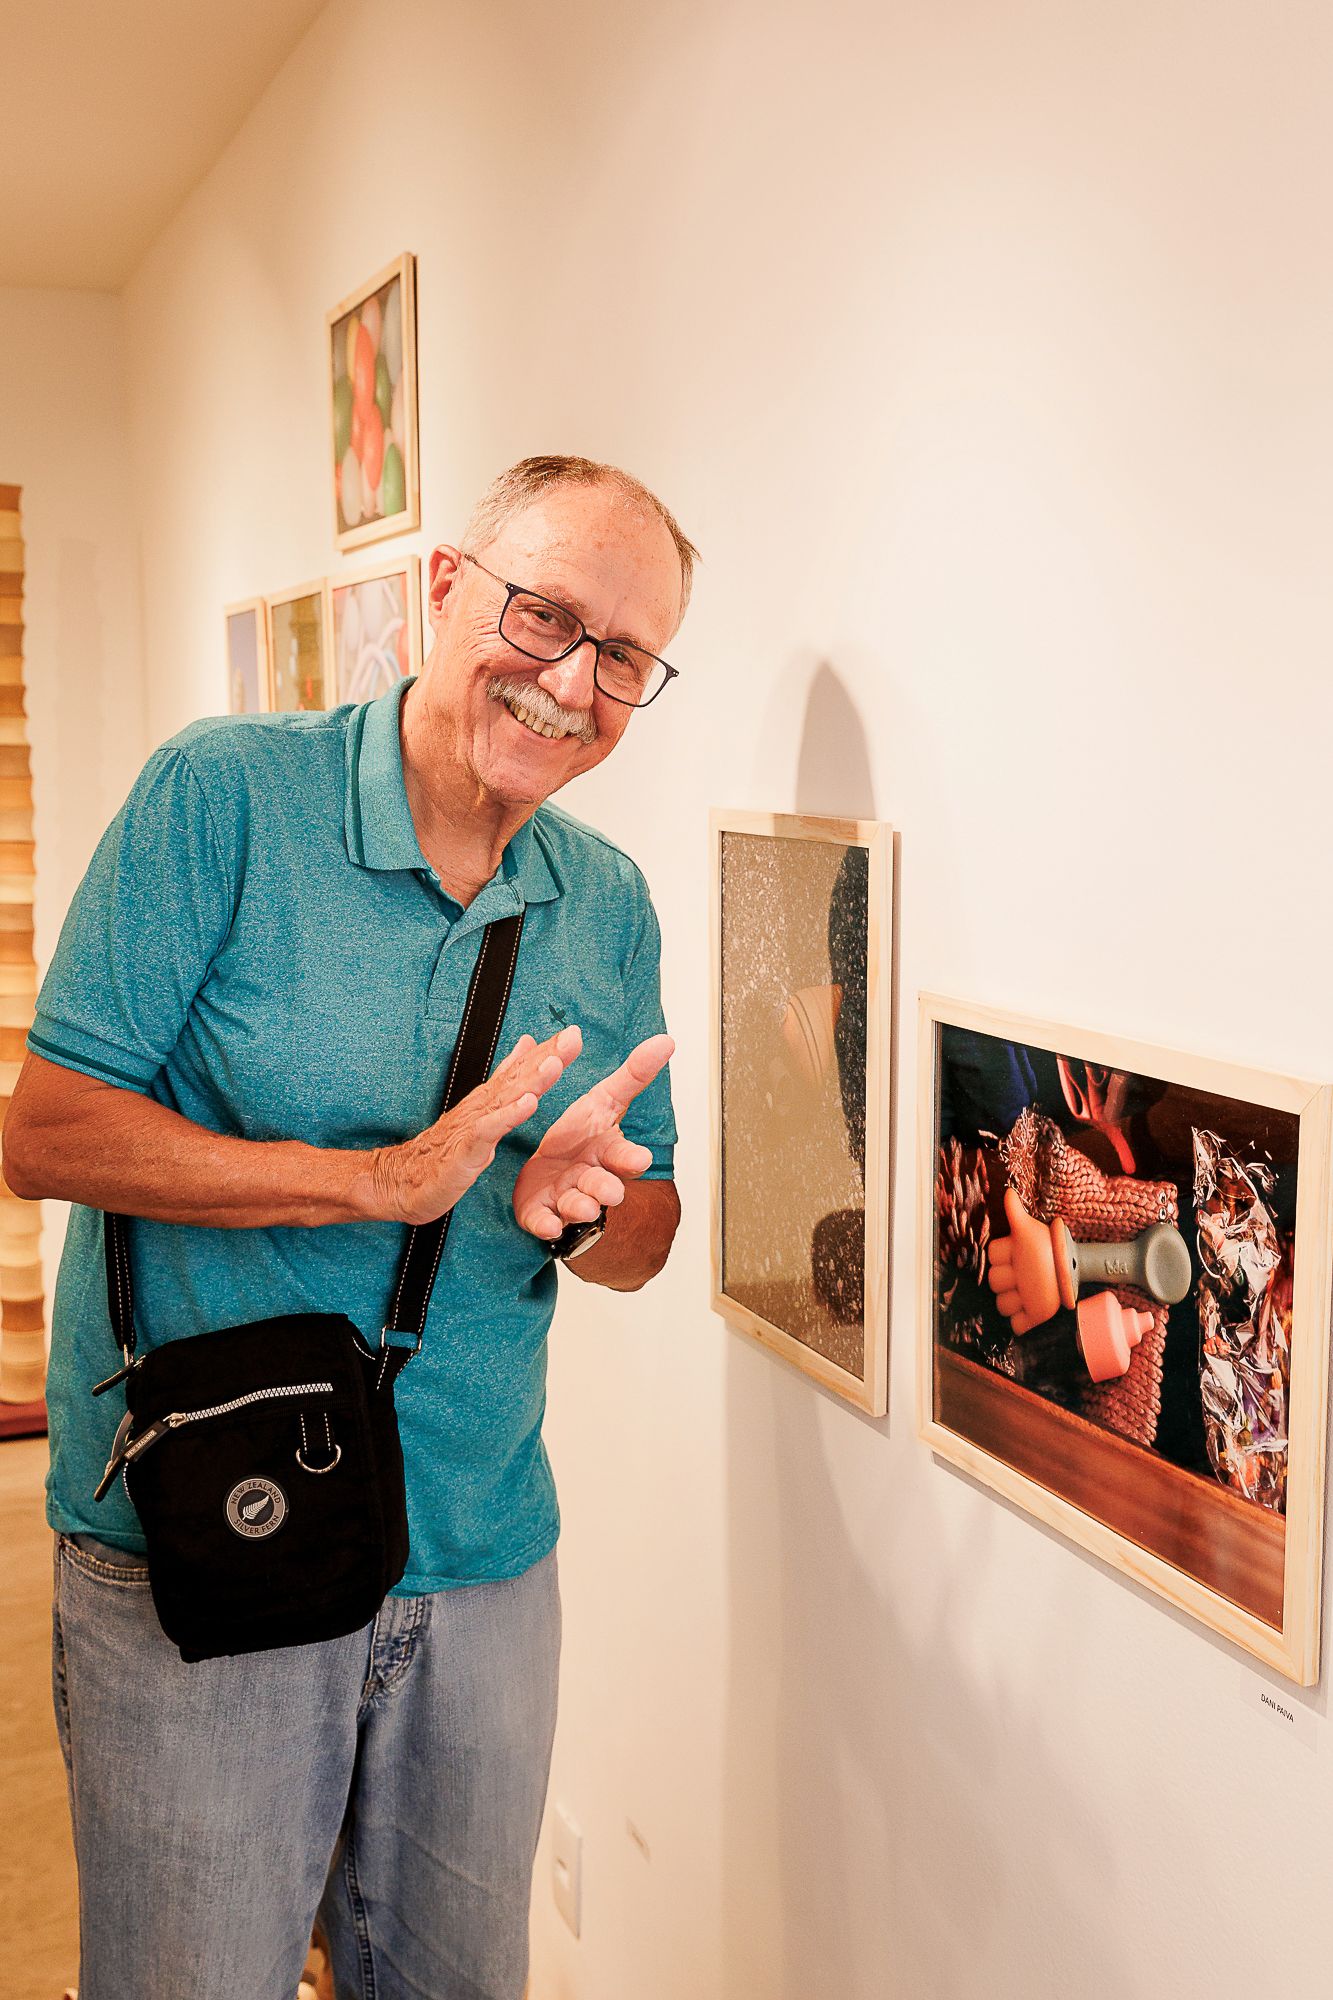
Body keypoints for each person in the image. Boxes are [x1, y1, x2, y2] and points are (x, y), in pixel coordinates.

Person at [3, 453, 695, 2000]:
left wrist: (585, 1206)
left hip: (478, 1545)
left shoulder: (609, 902)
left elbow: (649, 1238)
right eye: (545, 615)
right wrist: (376, 1180)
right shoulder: (226, 796)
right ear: (447, 588)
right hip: (200, 1520)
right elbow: (45, 1136)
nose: (572, 681)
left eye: (625, 658)